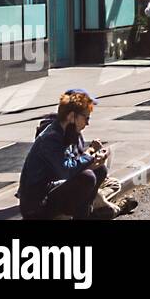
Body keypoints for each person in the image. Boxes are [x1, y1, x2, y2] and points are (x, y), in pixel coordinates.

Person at [18, 90, 137, 220]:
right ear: (72, 116)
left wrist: (94, 161)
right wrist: (90, 156)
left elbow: (73, 165)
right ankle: (98, 211)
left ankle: (86, 213)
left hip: (54, 190)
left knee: (100, 170)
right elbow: (66, 170)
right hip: (38, 205)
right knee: (88, 176)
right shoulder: (51, 138)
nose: (87, 123)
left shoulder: (69, 132)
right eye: (86, 118)